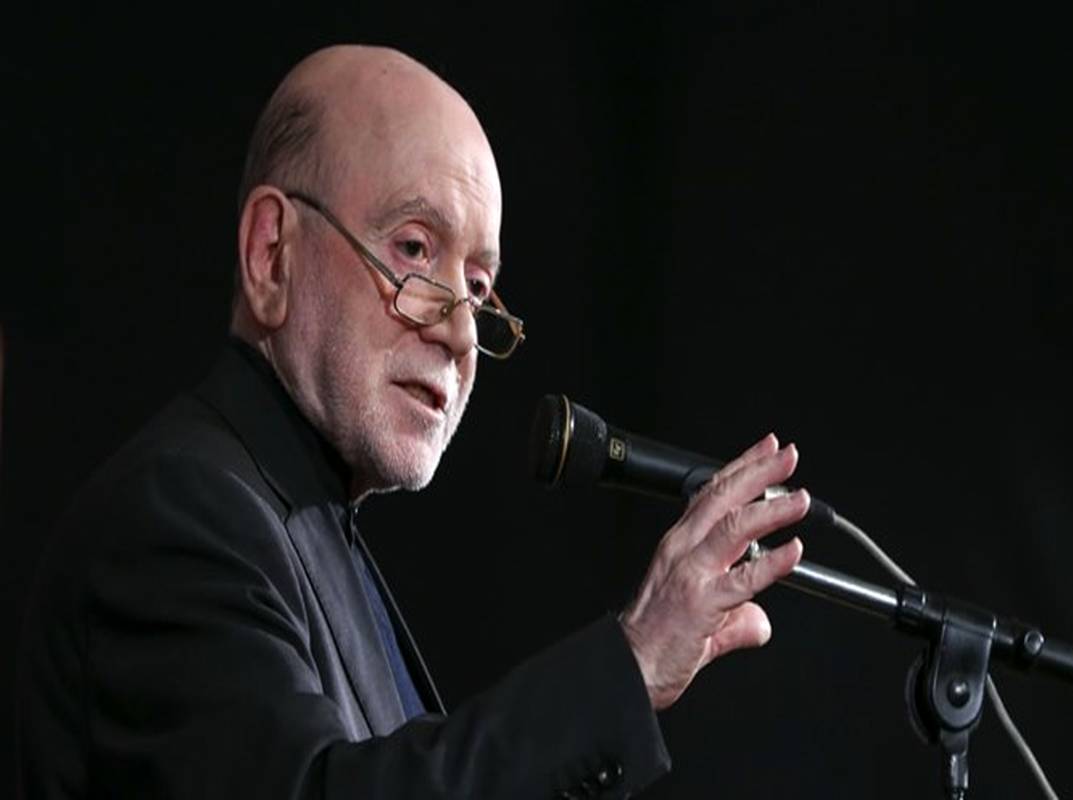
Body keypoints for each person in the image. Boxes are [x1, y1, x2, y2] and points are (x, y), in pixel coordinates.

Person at [17, 44, 812, 798]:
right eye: (412, 248)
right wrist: (630, 663)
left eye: (478, 284)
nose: (461, 331)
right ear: (271, 254)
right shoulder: (178, 517)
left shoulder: (311, 525)